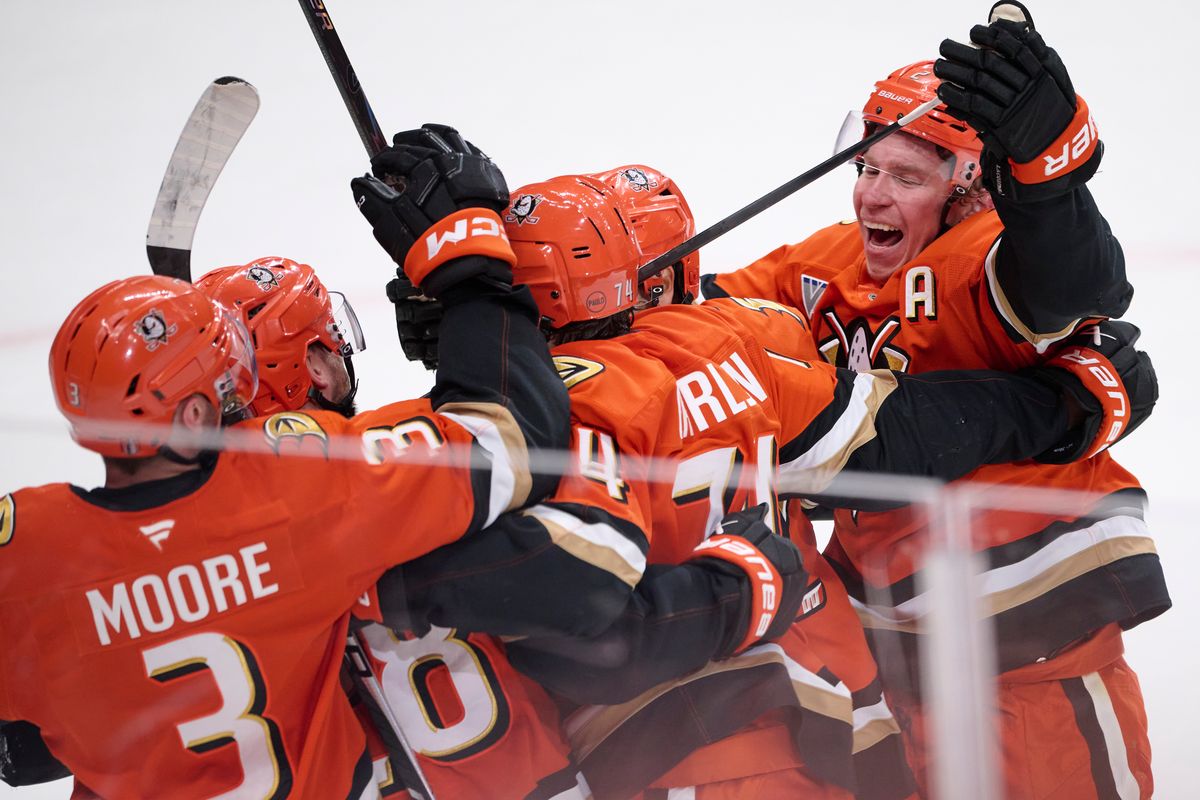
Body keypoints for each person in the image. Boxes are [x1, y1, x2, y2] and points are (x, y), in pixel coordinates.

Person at [363, 162, 1154, 800]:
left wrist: (470, 312)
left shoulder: (491, 418)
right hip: (827, 718)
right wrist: (1069, 403)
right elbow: (897, 431)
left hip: (644, 752)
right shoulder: (741, 349)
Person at [0, 125, 573, 797]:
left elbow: (23, 749)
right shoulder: (311, 490)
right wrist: (469, 276)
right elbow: (510, 435)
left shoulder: (29, 549)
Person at [701, 5, 1166, 797]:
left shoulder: (974, 256)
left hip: (1029, 664)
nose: (872, 198)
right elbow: (697, 318)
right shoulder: (834, 261)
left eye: (906, 177)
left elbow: (1069, 283)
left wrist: (1048, 180)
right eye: (866, 169)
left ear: (968, 188)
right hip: (897, 662)